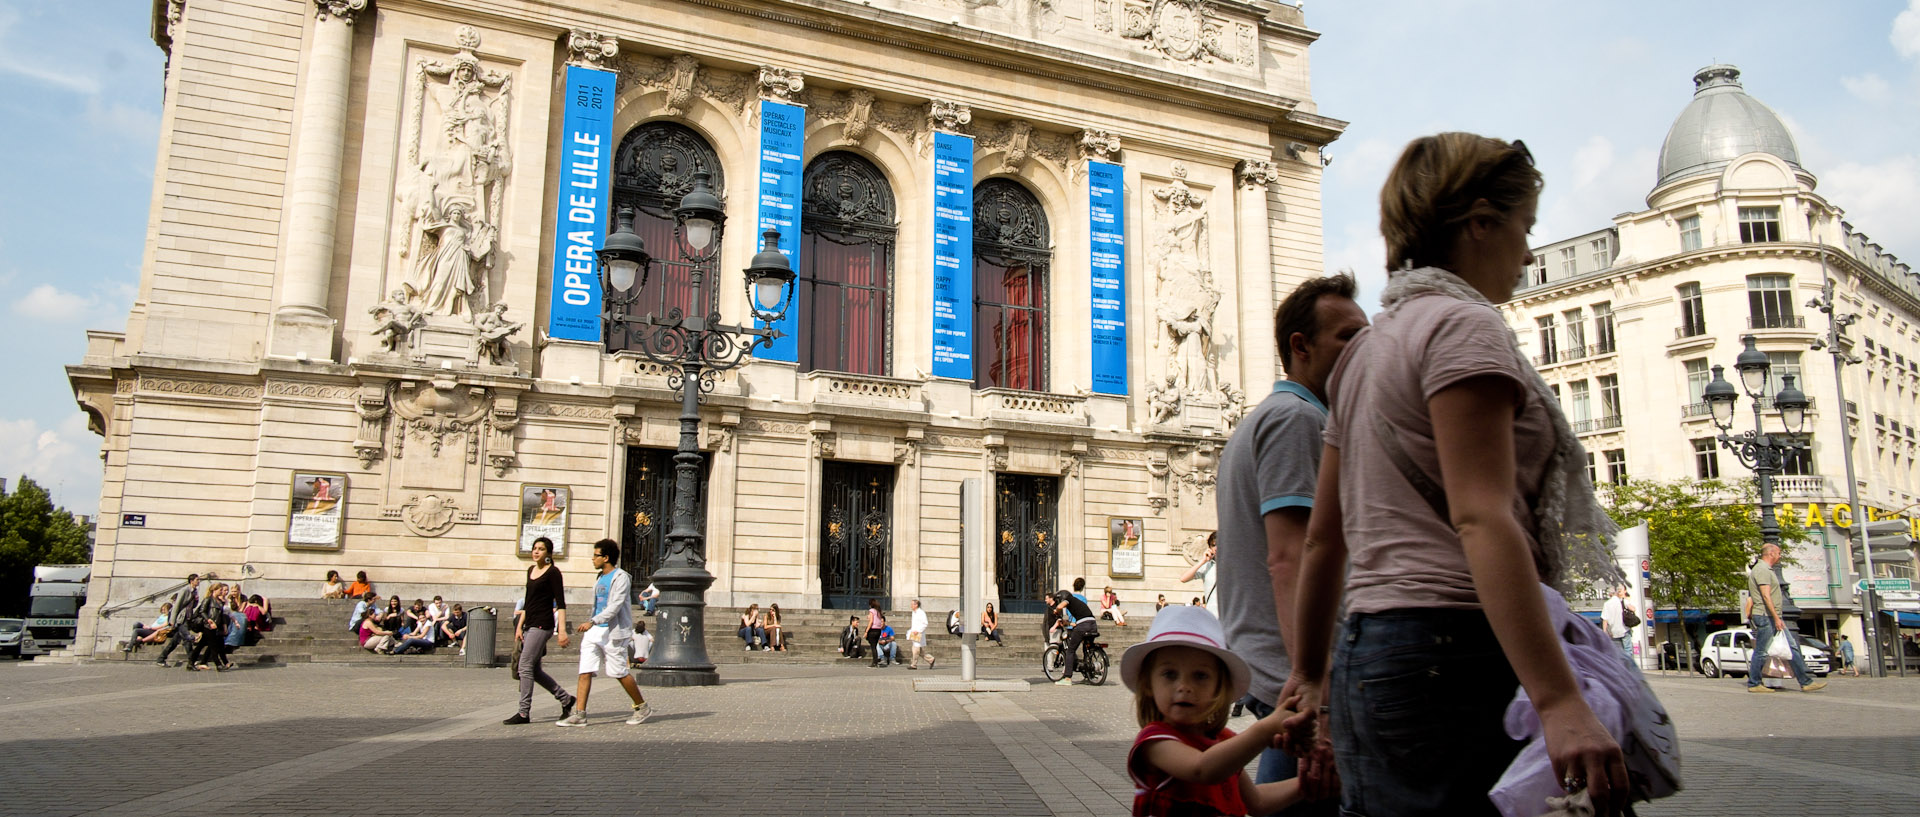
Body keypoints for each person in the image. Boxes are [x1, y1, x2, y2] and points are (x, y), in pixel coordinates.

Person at [1280, 133, 1628, 816]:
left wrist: (1309, 671)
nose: (1528, 251)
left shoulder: (1365, 353)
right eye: (1525, 227)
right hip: (1458, 649)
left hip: (1370, 651)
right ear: (1478, 222)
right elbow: (1481, 514)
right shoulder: (1466, 327)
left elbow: (1325, 539)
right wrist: (1559, 700)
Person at [1213, 272, 1367, 809]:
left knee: (1297, 795)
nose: (1363, 350)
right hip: (1295, 670)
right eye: (1348, 337)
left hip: (1279, 666)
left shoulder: (1266, 420)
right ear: (1300, 347)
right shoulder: (1296, 421)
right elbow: (1290, 559)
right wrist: (1314, 685)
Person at [1124, 605, 1302, 817]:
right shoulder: (1155, 741)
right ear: (1148, 685)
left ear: (1220, 687)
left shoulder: (1223, 743)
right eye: (1170, 674)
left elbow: (1258, 802)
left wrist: (1305, 785)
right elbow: (1202, 769)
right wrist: (1265, 729)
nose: (1184, 686)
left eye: (1200, 676)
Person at [556, 539, 653, 727]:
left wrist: (593, 621)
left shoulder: (621, 577)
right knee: (585, 670)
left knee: (619, 672)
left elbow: (615, 605)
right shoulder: (600, 577)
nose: (593, 559)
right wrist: (593, 622)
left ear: (606, 557)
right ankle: (580, 714)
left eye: (596, 555)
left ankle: (642, 707)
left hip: (613, 632)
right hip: (594, 632)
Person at [505, 537, 575, 725]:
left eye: (541, 549)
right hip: (529, 624)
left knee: (524, 666)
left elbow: (561, 603)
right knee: (534, 670)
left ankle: (523, 712)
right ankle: (565, 699)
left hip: (543, 624)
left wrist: (562, 631)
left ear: (548, 553)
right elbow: (528, 602)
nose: (536, 551)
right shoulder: (531, 570)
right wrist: (519, 626)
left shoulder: (553, 572)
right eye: (535, 548)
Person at [1745, 544, 1825, 693]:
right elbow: (1765, 595)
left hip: (1771, 616)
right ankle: (1754, 683)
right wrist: (1776, 617)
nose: (1780, 556)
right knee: (1762, 651)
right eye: (1778, 553)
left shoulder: (1766, 570)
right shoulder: (1762, 570)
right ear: (1771, 554)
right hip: (1766, 616)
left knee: (1792, 646)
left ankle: (1806, 682)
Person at [154, 573, 202, 667]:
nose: (199, 581)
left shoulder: (195, 591)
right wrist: (172, 620)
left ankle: (161, 659)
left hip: (188, 617)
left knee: (176, 641)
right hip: (181, 618)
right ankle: (192, 660)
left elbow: (193, 606)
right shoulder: (184, 590)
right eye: (197, 580)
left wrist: (196, 600)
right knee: (187, 638)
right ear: (191, 581)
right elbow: (177, 605)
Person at [1052, 586, 1097, 685]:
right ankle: (1089, 674)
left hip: (1083, 626)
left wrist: (1056, 610)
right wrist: (1067, 623)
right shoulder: (1077, 603)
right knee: (1086, 647)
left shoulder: (1069, 599)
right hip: (1092, 624)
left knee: (1071, 650)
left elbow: (1060, 607)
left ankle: (1067, 677)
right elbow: (1077, 623)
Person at [1178, 534, 1218, 612]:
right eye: (1213, 545)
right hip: (1212, 617)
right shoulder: (1207, 566)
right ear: (1210, 548)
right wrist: (1203, 561)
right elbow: (1183, 578)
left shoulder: (1233, 566)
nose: (1216, 548)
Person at [1601, 586, 1631, 659]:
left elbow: (1605, 619)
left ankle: (1621, 667)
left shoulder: (1607, 604)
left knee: (1618, 652)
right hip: (1625, 629)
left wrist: (1604, 631)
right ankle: (1629, 668)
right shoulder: (1622, 601)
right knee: (1628, 650)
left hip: (1614, 631)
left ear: (1610, 594)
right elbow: (1632, 608)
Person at [907, 599, 936, 670]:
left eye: (912, 604)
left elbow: (925, 623)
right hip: (914, 632)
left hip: (918, 633)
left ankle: (914, 664)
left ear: (916, 605)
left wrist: (918, 630)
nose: (911, 606)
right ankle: (930, 659)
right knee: (919, 650)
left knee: (916, 649)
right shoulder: (914, 612)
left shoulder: (921, 613)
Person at [865, 599, 887, 667]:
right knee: (874, 645)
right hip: (878, 630)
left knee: (873, 646)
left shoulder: (872, 611)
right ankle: (876, 661)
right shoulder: (879, 611)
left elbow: (871, 621)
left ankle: (875, 662)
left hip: (873, 629)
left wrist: (866, 631)